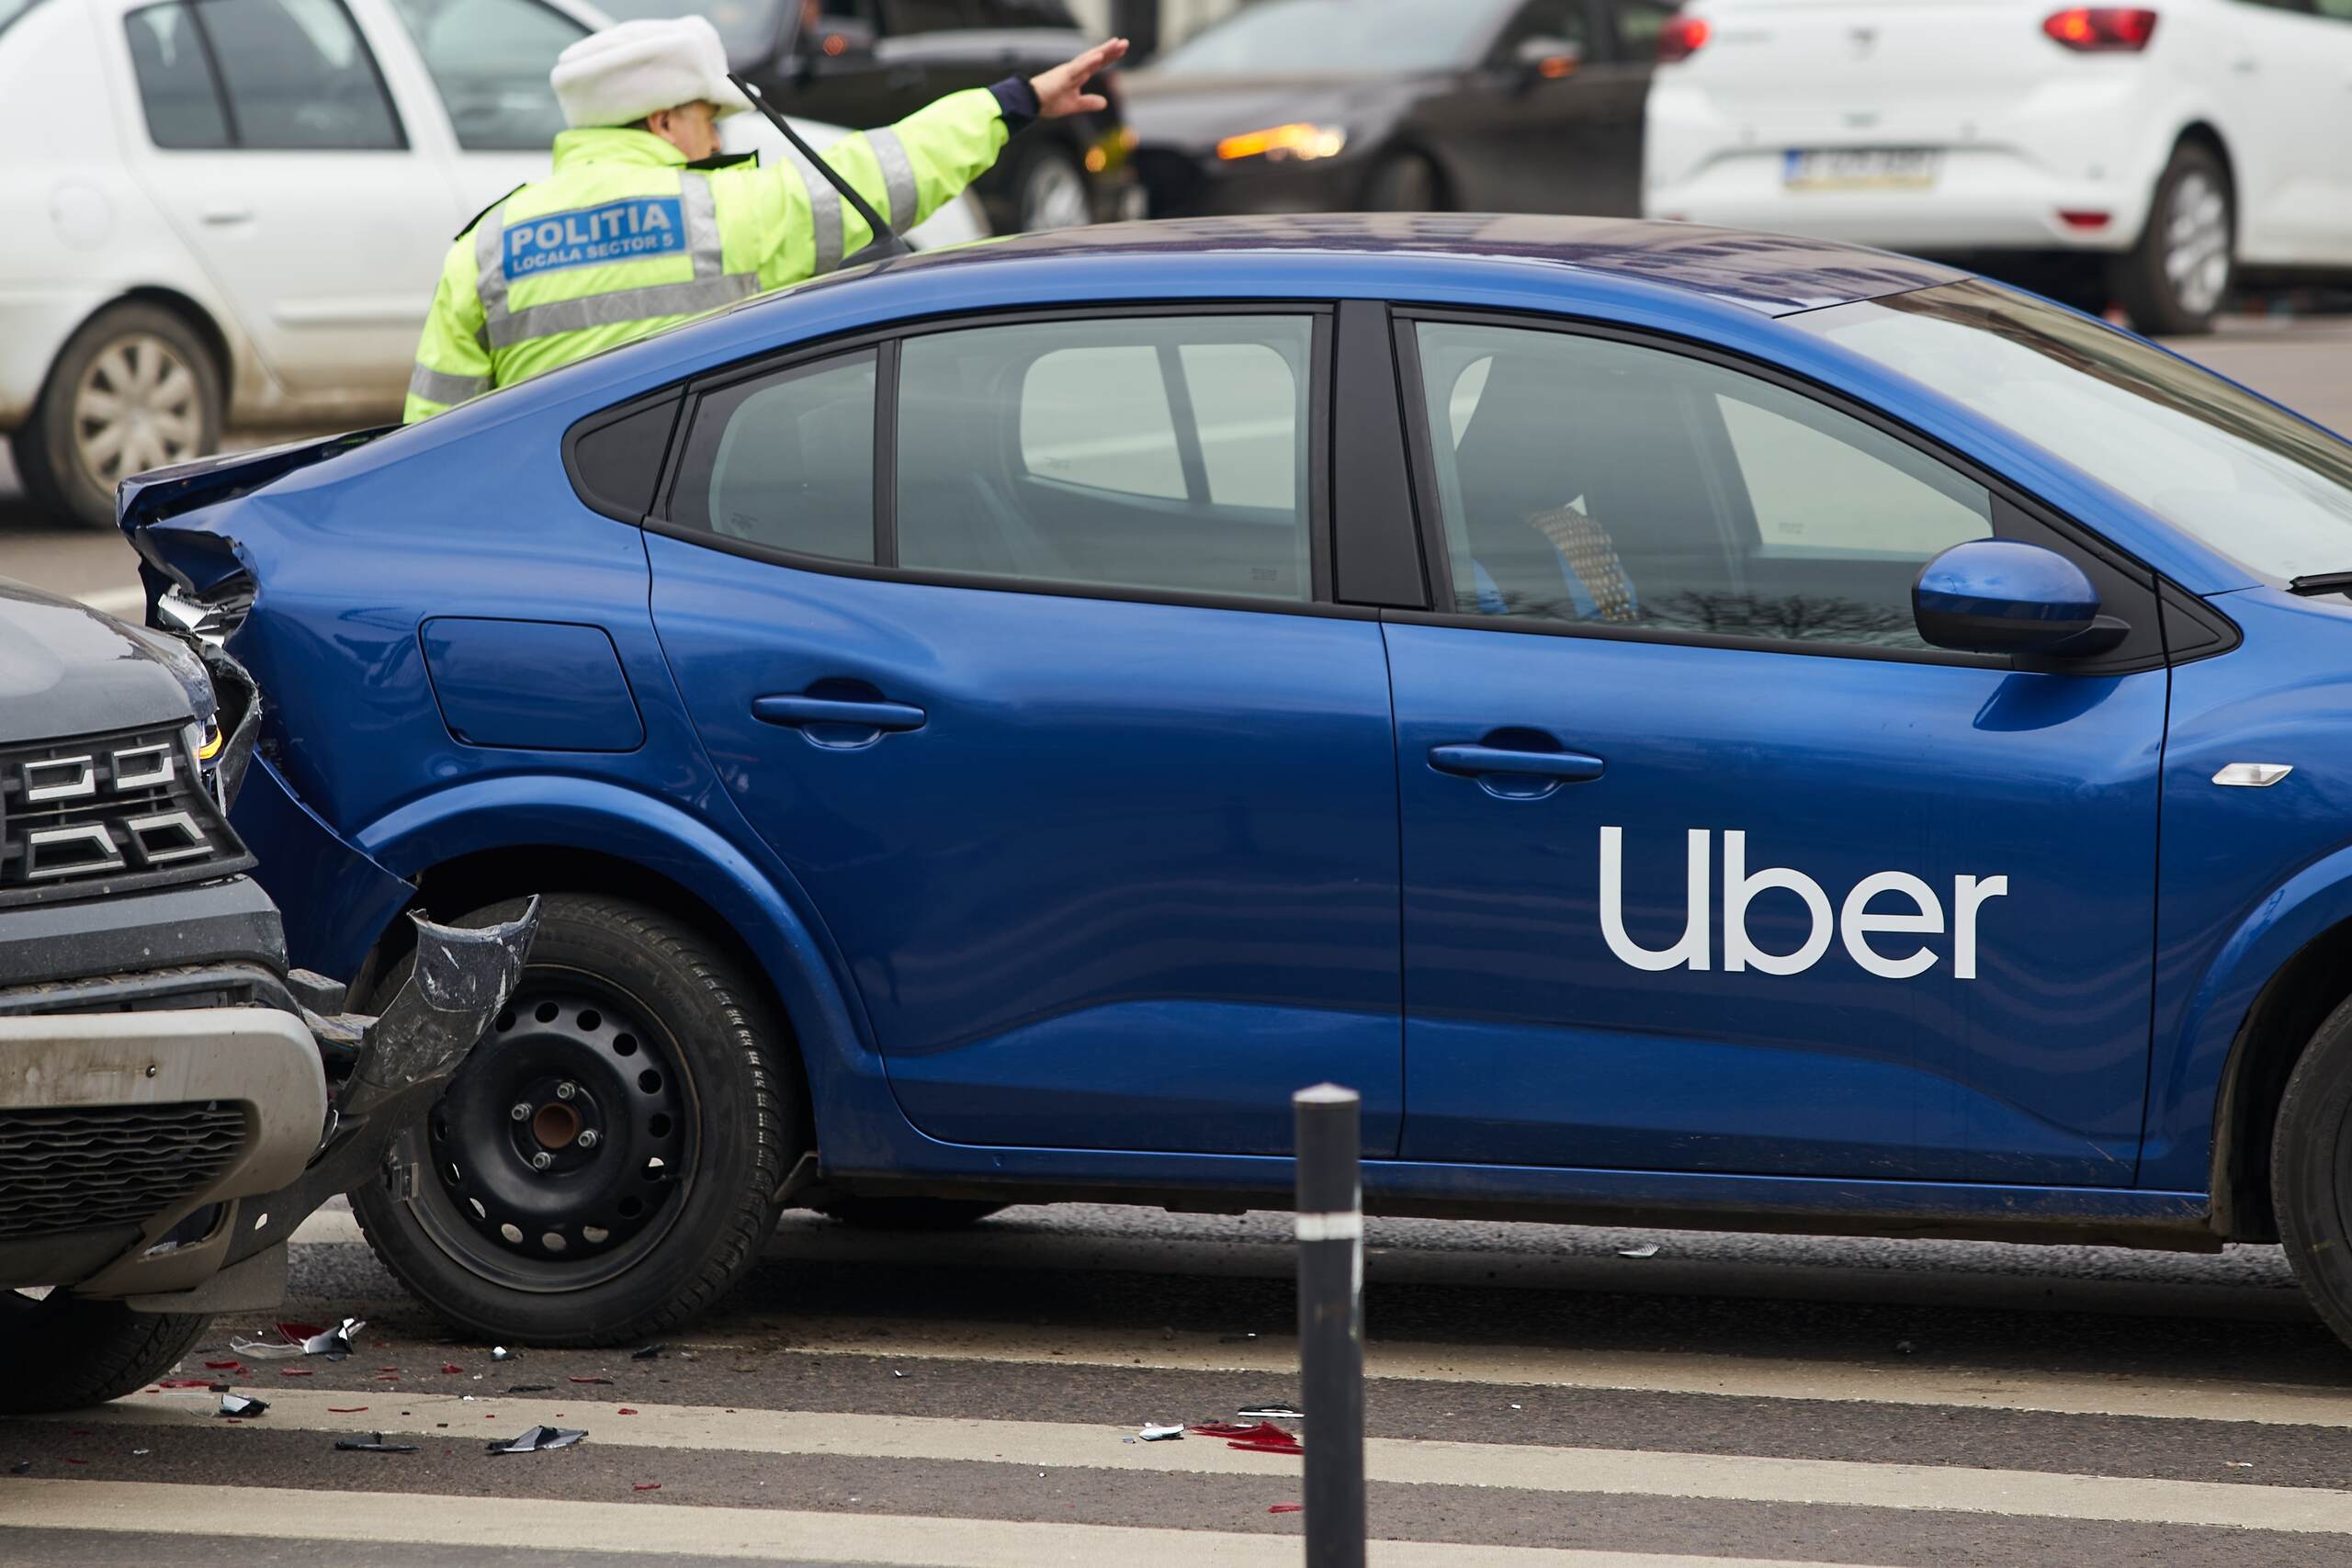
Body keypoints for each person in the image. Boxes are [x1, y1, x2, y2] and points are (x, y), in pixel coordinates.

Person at [404, 16, 1125, 422]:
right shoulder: (728, 214)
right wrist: (1013, 100)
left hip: (536, 531)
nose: (716, 140)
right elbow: (891, 167)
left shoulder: (486, 245)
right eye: (705, 121)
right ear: (662, 120)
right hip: (687, 526)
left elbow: (429, 427)